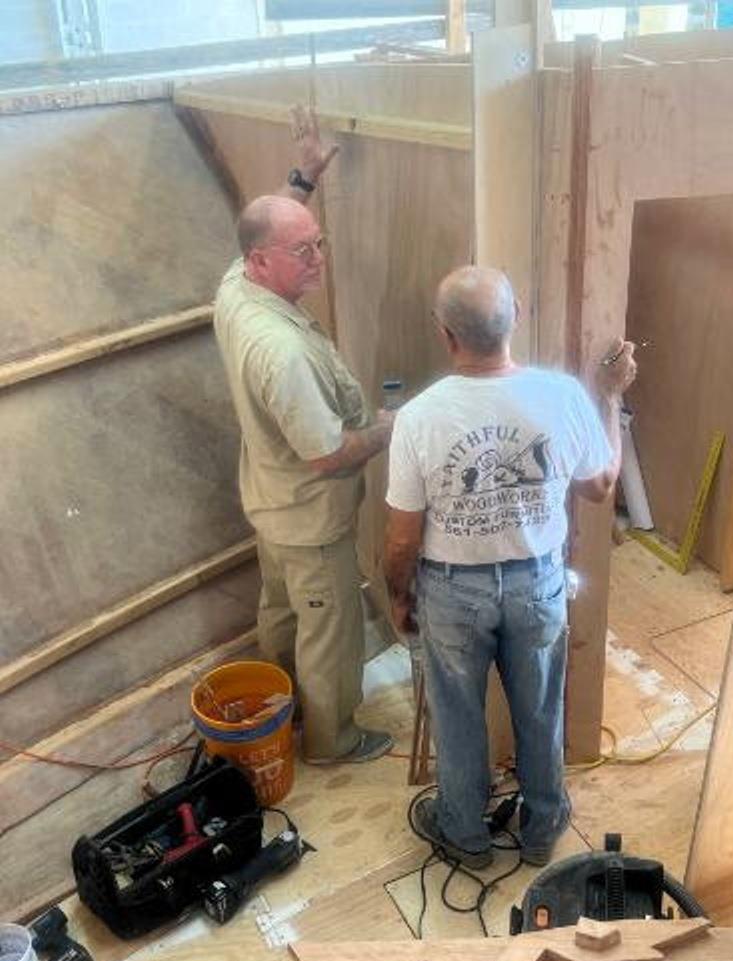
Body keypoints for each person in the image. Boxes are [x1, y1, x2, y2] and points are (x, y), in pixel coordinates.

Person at [383, 266, 636, 868]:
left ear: (445, 335)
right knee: (542, 709)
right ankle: (542, 828)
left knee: (458, 719)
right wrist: (612, 398)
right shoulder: (563, 396)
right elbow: (601, 486)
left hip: (452, 591)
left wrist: (400, 595)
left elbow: (401, 539)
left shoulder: (419, 417)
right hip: (538, 584)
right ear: (516, 315)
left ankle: (466, 837)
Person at [214, 107, 394, 765]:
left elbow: (272, 227)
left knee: (283, 613)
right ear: (262, 262)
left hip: (270, 503)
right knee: (330, 632)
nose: (318, 258)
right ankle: (331, 739)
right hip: (311, 518)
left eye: (319, 242)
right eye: (303, 250)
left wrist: (303, 179)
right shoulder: (280, 351)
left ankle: (281, 705)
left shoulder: (237, 286)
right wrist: (386, 429)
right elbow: (326, 453)